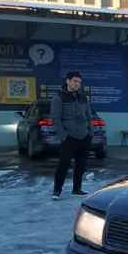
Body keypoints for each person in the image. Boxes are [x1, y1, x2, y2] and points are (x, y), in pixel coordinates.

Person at [50, 71, 93, 200]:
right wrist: (64, 135)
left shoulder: (83, 98)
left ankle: (77, 189)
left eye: (79, 82)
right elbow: (55, 119)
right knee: (63, 164)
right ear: (68, 81)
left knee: (81, 165)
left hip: (84, 136)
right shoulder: (59, 98)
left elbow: (89, 116)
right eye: (75, 81)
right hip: (69, 137)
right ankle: (57, 191)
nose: (77, 84)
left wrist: (90, 133)